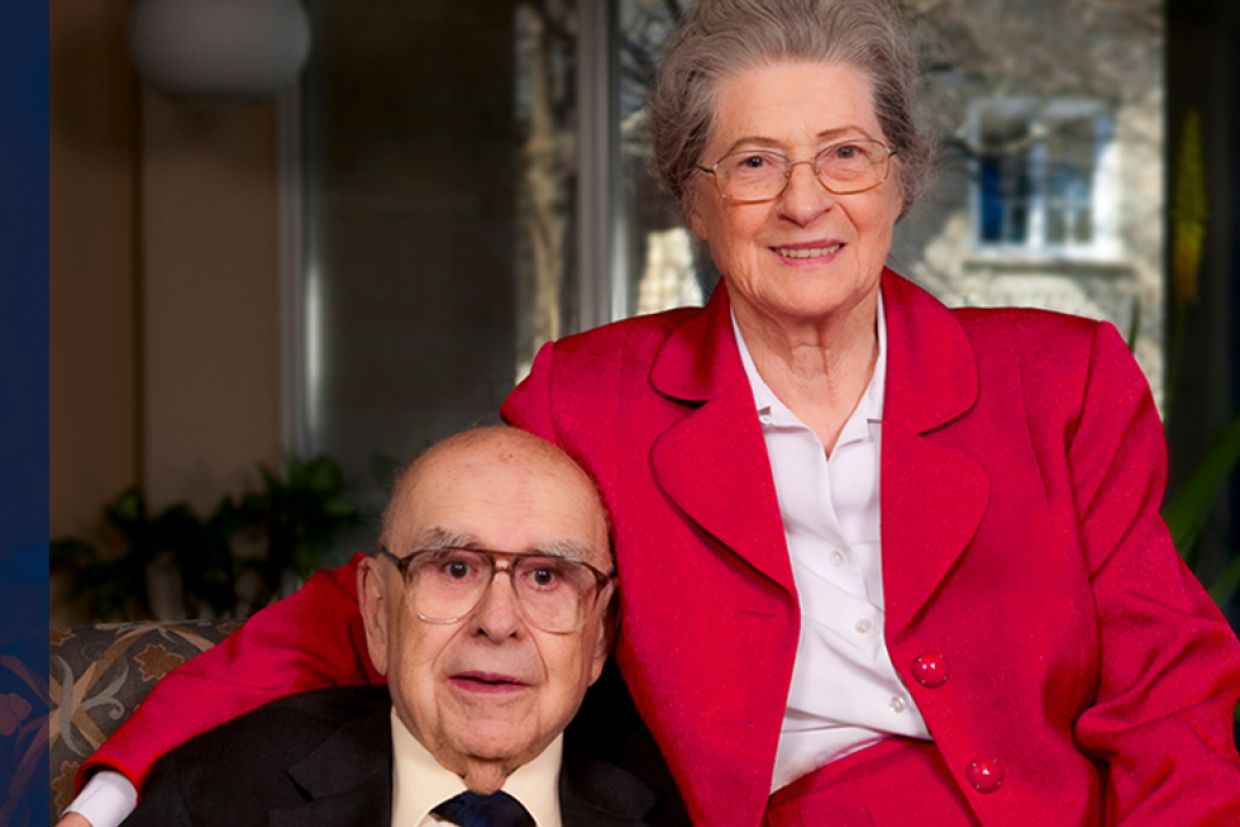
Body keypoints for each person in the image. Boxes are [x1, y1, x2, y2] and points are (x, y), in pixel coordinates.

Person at [63, 1, 1240, 825]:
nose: (803, 201)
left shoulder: (1062, 378)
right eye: (752, 162)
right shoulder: (594, 398)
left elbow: (1166, 684)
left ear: (900, 178)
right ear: (694, 196)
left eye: (843, 152)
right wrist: (118, 782)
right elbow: (377, 602)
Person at [120, 426, 685, 826]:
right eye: (455, 568)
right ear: (376, 613)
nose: (497, 621)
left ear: (600, 635)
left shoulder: (688, 807)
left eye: (546, 577)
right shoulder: (221, 793)